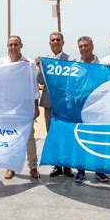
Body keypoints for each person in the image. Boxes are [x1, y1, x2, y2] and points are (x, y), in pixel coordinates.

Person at [0, 35, 40, 180]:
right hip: (8, 106)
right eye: (10, 45)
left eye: (16, 44)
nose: (13, 47)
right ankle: (11, 166)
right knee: (10, 137)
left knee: (29, 137)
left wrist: (35, 106)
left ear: (21, 45)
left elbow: (34, 86)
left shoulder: (29, 63)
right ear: (7, 46)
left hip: (25, 106)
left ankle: (33, 167)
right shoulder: (1, 62)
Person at [35, 32, 73, 178]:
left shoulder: (70, 60)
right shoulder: (45, 61)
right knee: (53, 135)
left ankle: (68, 166)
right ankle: (57, 165)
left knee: (66, 135)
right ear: (49, 43)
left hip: (65, 105)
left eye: (58, 40)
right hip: (49, 104)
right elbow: (40, 81)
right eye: (53, 40)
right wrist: (40, 67)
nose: (55, 42)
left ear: (63, 42)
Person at [74, 36, 110, 184]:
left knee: (97, 139)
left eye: (86, 45)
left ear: (92, 46)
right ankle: (80, 171)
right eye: (81, 46)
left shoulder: (103, 64)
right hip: (80, 108)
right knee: (80, 139)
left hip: (98, 108)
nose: (84, 48)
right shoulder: (75, 66)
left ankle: (99, 171)